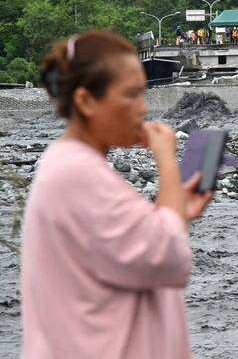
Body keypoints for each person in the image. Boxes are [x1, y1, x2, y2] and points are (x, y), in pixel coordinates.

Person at [22, 31, 213, 358]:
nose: (144, 108)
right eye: (131, 95)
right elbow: (169, 258)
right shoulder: (77, 175)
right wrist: (166, 157)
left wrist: (178, 208)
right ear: (86, 101)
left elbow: (139, 251)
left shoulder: (69, 166)